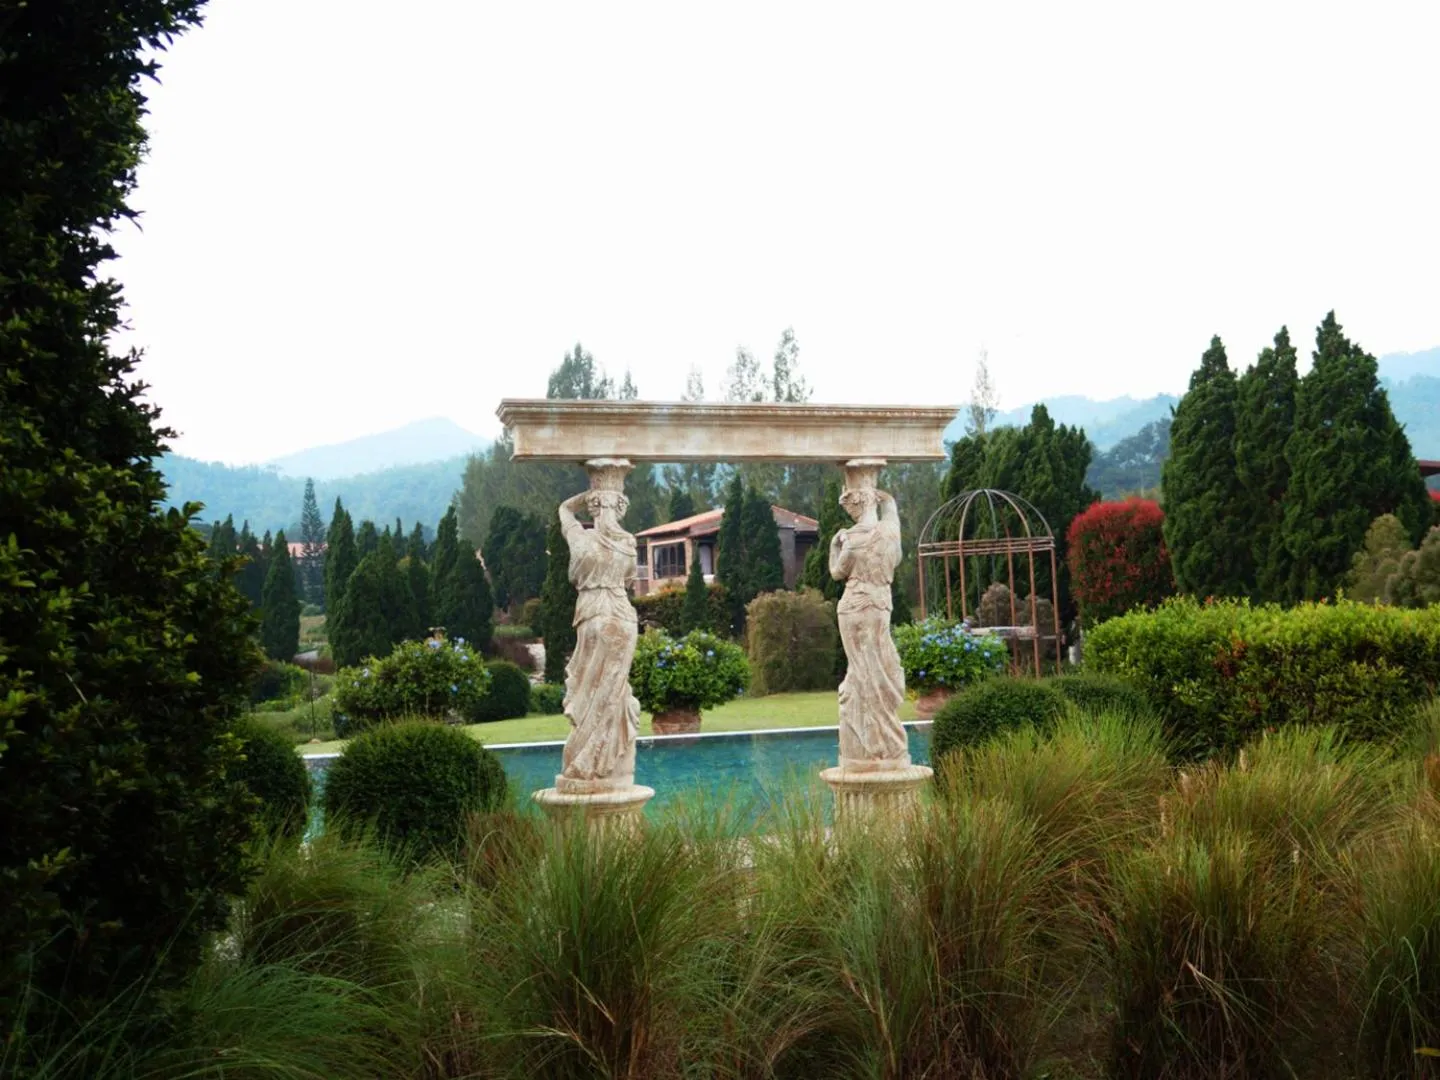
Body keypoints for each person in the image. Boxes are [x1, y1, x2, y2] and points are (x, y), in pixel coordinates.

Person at [554, 485, 642, 793]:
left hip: (592, 612)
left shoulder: (582, 538)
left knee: (589, 686)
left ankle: (585, 758)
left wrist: (590, 494)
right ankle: (599, 759)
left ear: (593, 509)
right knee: (613, 689)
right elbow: (629, 579)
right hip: (621, 614)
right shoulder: (627, 543)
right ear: (620, 509)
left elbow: (564, 509)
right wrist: (606, 493)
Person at [829, 486, 909, 770]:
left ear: (856, 506)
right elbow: (892, 512)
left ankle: (872, 739)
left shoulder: (850, 537)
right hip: (879, 604)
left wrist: (834, 547)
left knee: (861, 669)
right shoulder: (890, 533)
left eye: (849, 509)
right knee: (879, 664)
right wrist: (886, 498)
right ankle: (884, 738)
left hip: (853, 605)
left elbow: (837, 572)